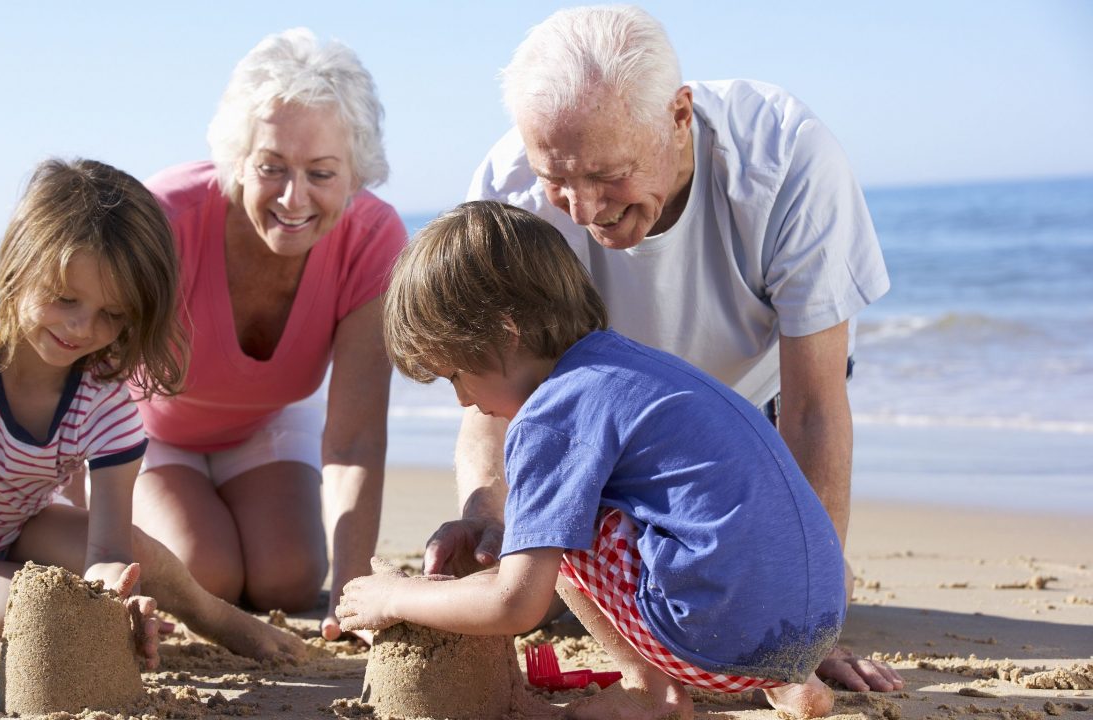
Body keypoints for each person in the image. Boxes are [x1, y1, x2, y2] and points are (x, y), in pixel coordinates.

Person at [431, 5, 900, 691]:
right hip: (610, 429)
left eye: (607, 174)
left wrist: (808, 638)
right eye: (558, 178)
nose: (584, 209)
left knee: (794, 596)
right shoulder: (512, 192)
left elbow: (814, 407)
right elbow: (493, 397)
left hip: (757, 422)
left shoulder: (788, 157)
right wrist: (484, 518)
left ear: (680, 116)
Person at [339, 201, 845, 720]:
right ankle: (791, 687)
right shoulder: (630, 365)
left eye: (454, 376)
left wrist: (395, 598)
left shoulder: (551, 414)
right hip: (815, 629)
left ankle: (650, 689)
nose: (463, 402)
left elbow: (515, 604)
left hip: (715, 638)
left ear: (504, 335)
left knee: (555, 524)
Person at [0, 158, 307, 685]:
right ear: (19, 263)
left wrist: (114, 597)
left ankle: (213, 615)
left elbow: (108, 551)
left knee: (133, 562)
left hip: (21, 527)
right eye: (65, 299)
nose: (82, 329)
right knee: (45, 613)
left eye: (112, 315)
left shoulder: (105, 396)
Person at [131, 28, 405, 642]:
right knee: (206, 574)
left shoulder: (374, 240)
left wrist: (353, 597)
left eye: (321, 173)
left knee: (291, 578)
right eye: (271, 168)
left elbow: (355, 436)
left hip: (264, 424)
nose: (293, 198)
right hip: (148, 432)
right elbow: (86, 377)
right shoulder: (165, 217)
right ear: (237, 159)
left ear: (356, 171)